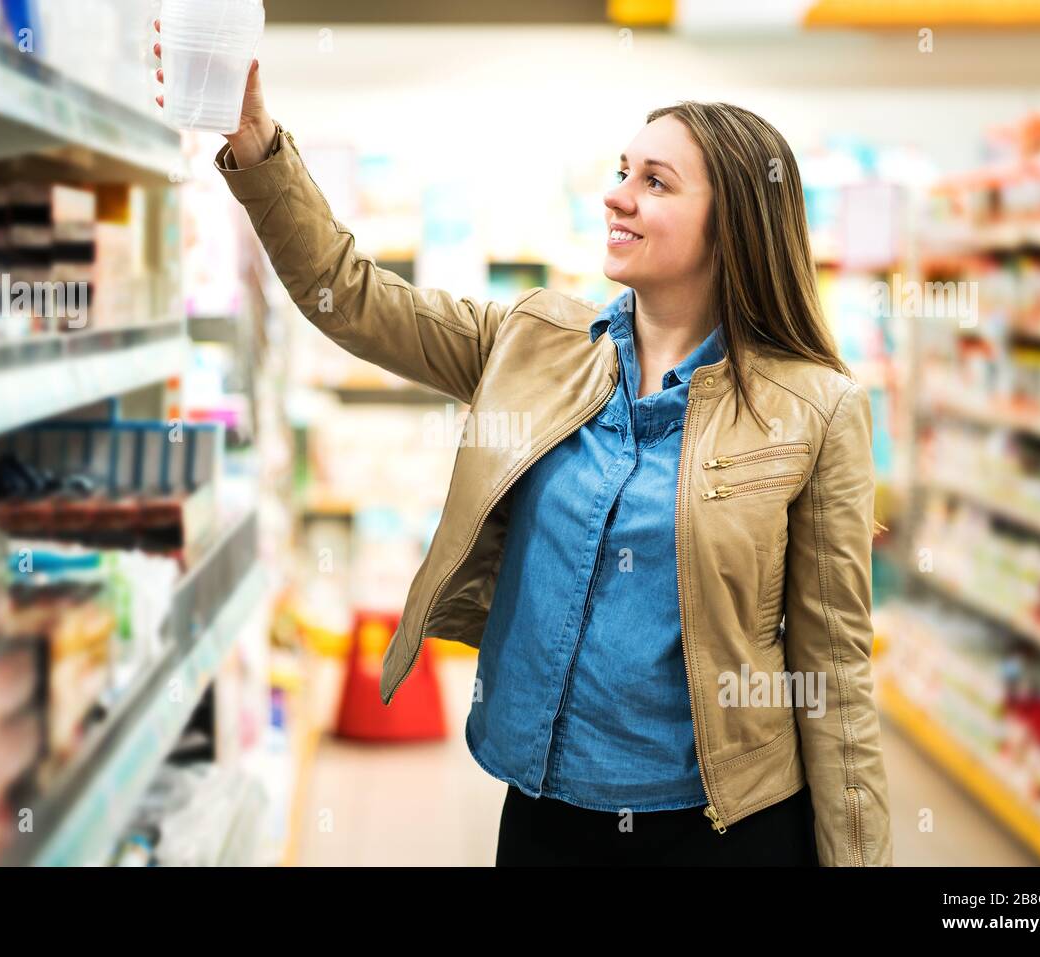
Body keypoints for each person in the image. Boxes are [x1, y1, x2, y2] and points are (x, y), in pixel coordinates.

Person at [153, 21, 893, 867]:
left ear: (734, 225)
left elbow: (834, 678)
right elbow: (350, 298)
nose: (618, 196)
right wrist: (257, 145)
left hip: (726, 828)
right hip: (548, 817)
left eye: (655, 182)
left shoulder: (815, 410)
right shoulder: (535, 344)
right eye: (622, 172)